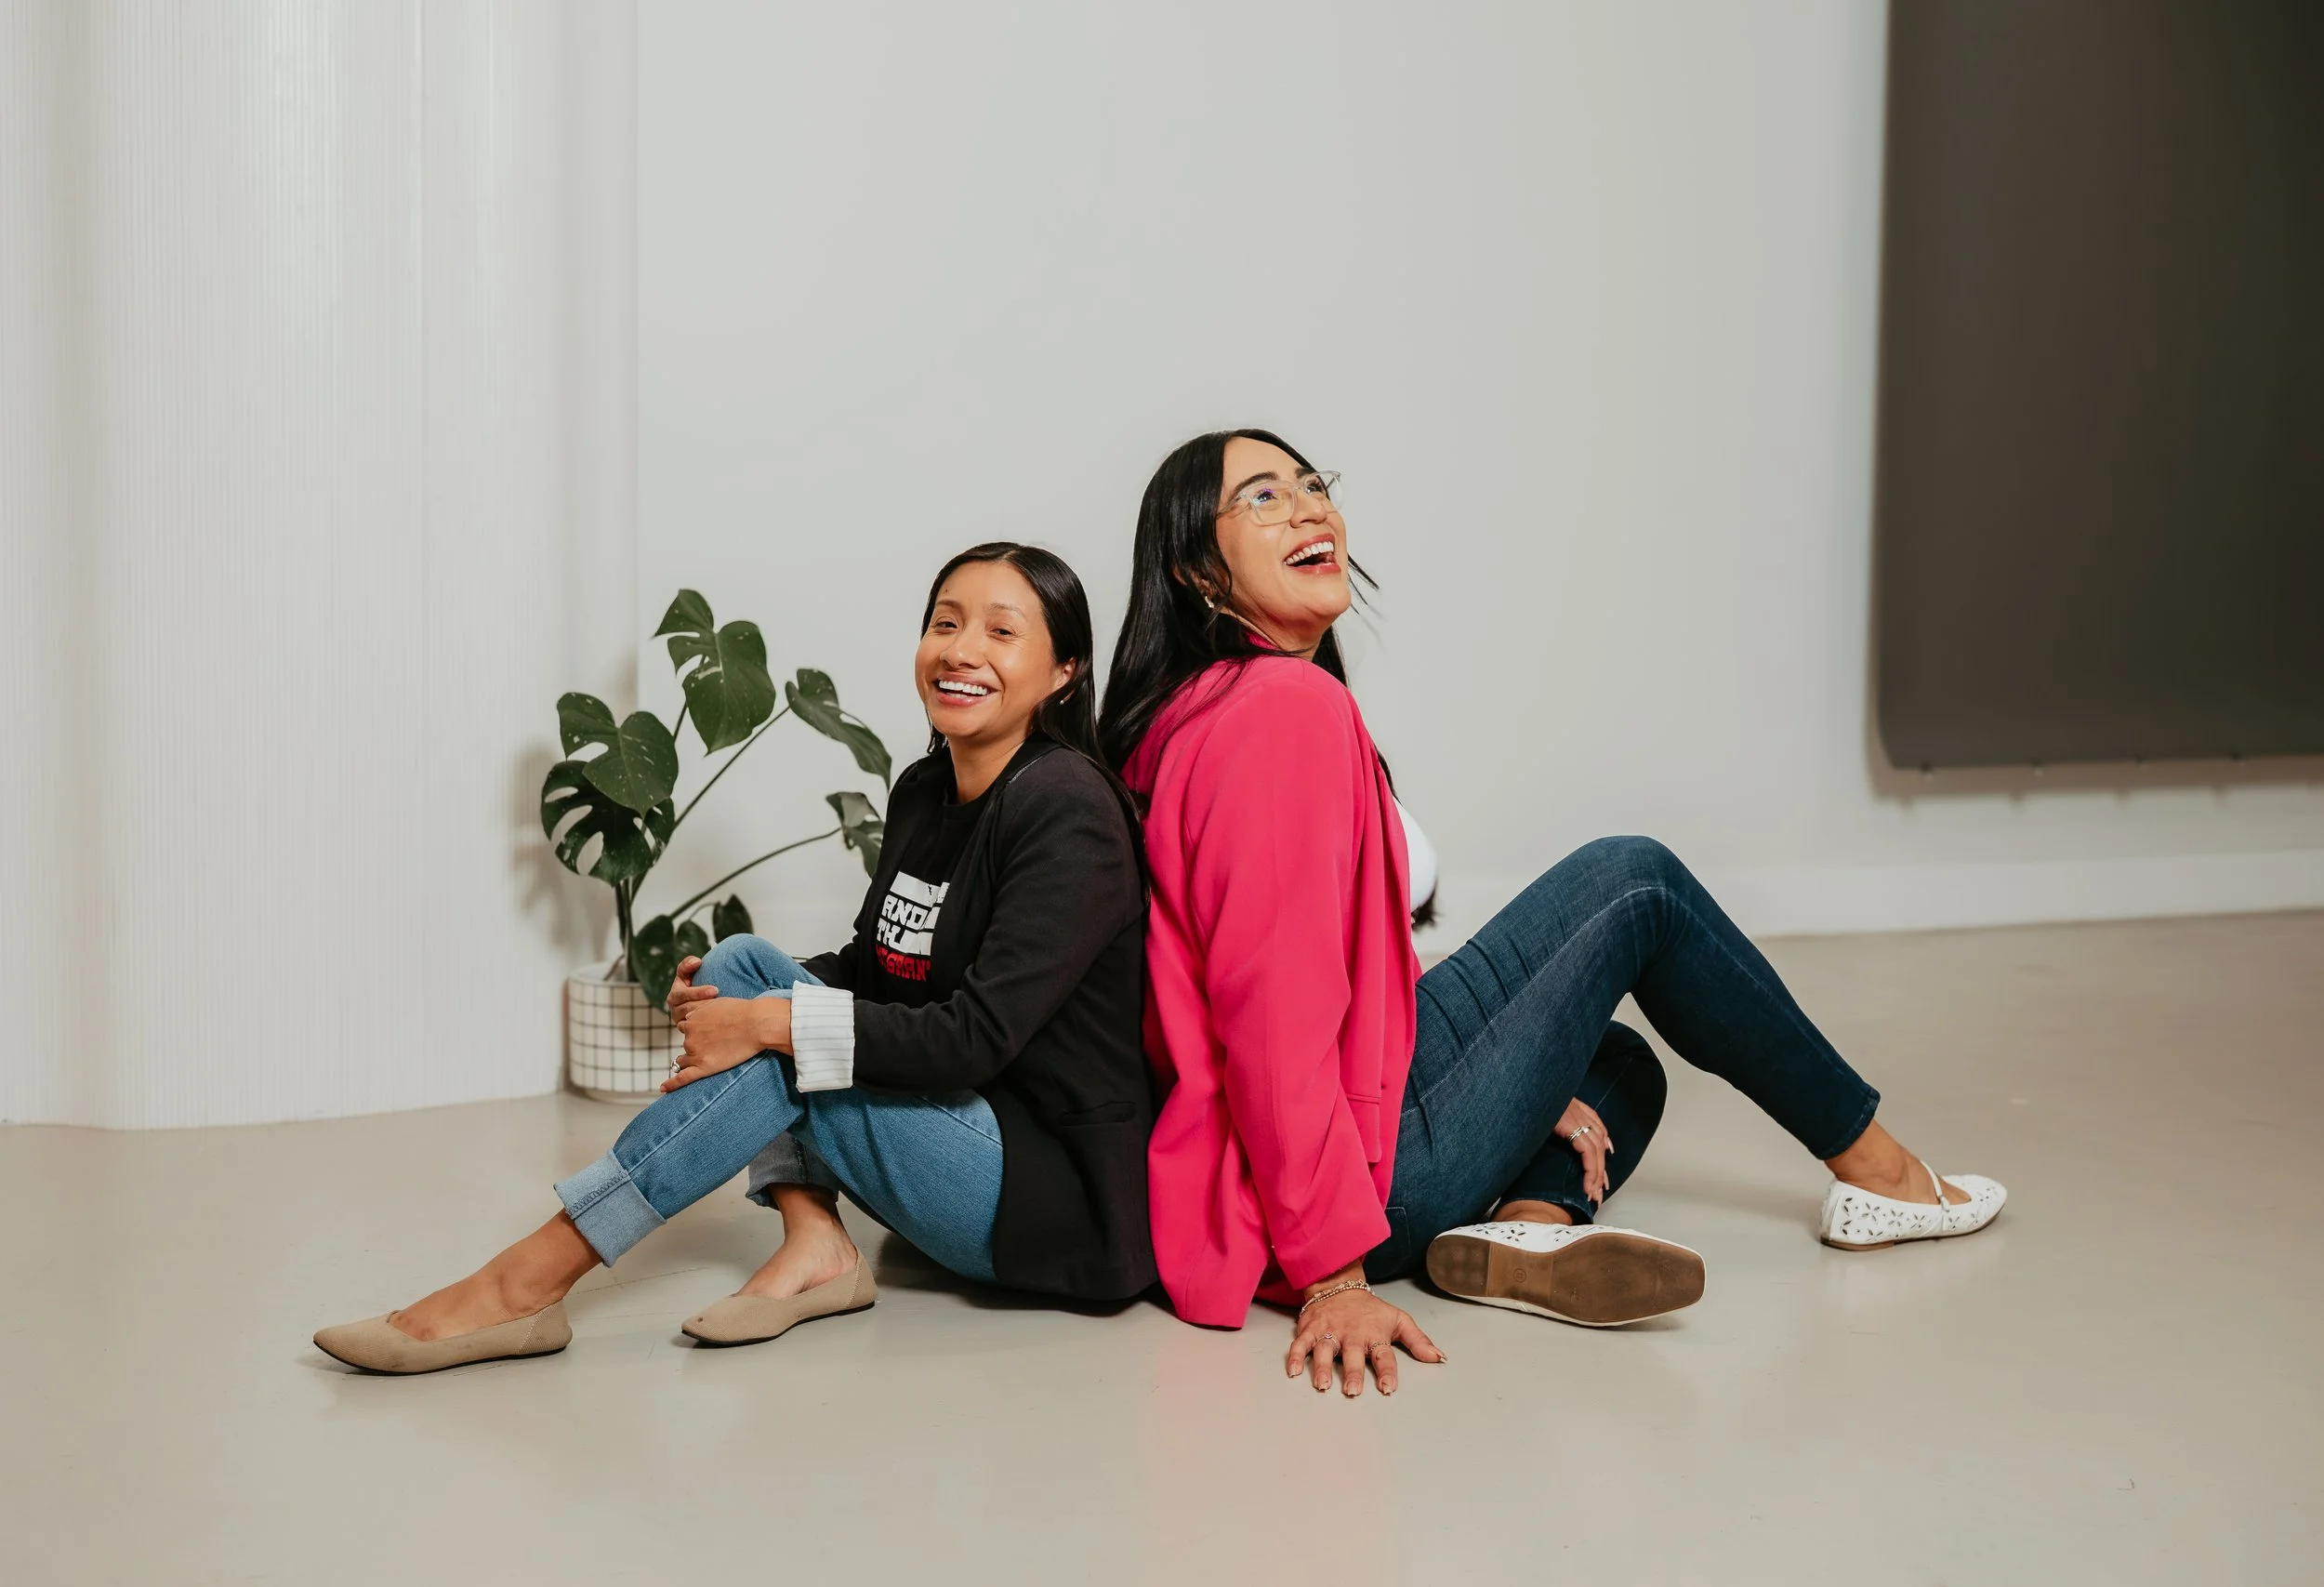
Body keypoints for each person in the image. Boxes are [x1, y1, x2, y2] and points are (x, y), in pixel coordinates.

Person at [1099, 429, 2006, 1399]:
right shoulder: (1281, 711)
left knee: (1615, 1063)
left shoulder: (1197, 712)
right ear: (1199, 568)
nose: (1311, 508)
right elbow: (1272, 1013)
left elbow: (1318, 963)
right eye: (1265, 498)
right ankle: (1884, 1175)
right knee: (1634, 883)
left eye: (1313, 485)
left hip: (1305, 1152)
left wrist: (1517, 1074)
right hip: (1345, 1198)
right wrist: (1332, 1276)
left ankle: (1524, 1230)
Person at [316, 543, 1154, 1372]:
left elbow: (975, 1038)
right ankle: (816, 1243)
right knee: (746, 962)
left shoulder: (1066, 806)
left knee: (782, 1043)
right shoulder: (926, 790)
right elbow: (873, 964)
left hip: (1042, 1195)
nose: (961, 650)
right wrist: (736, 1004)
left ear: (1064, 672)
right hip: (956, 1128)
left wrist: (763, 1024)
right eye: (945, 622)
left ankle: (527, 1281)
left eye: (1001, 633)